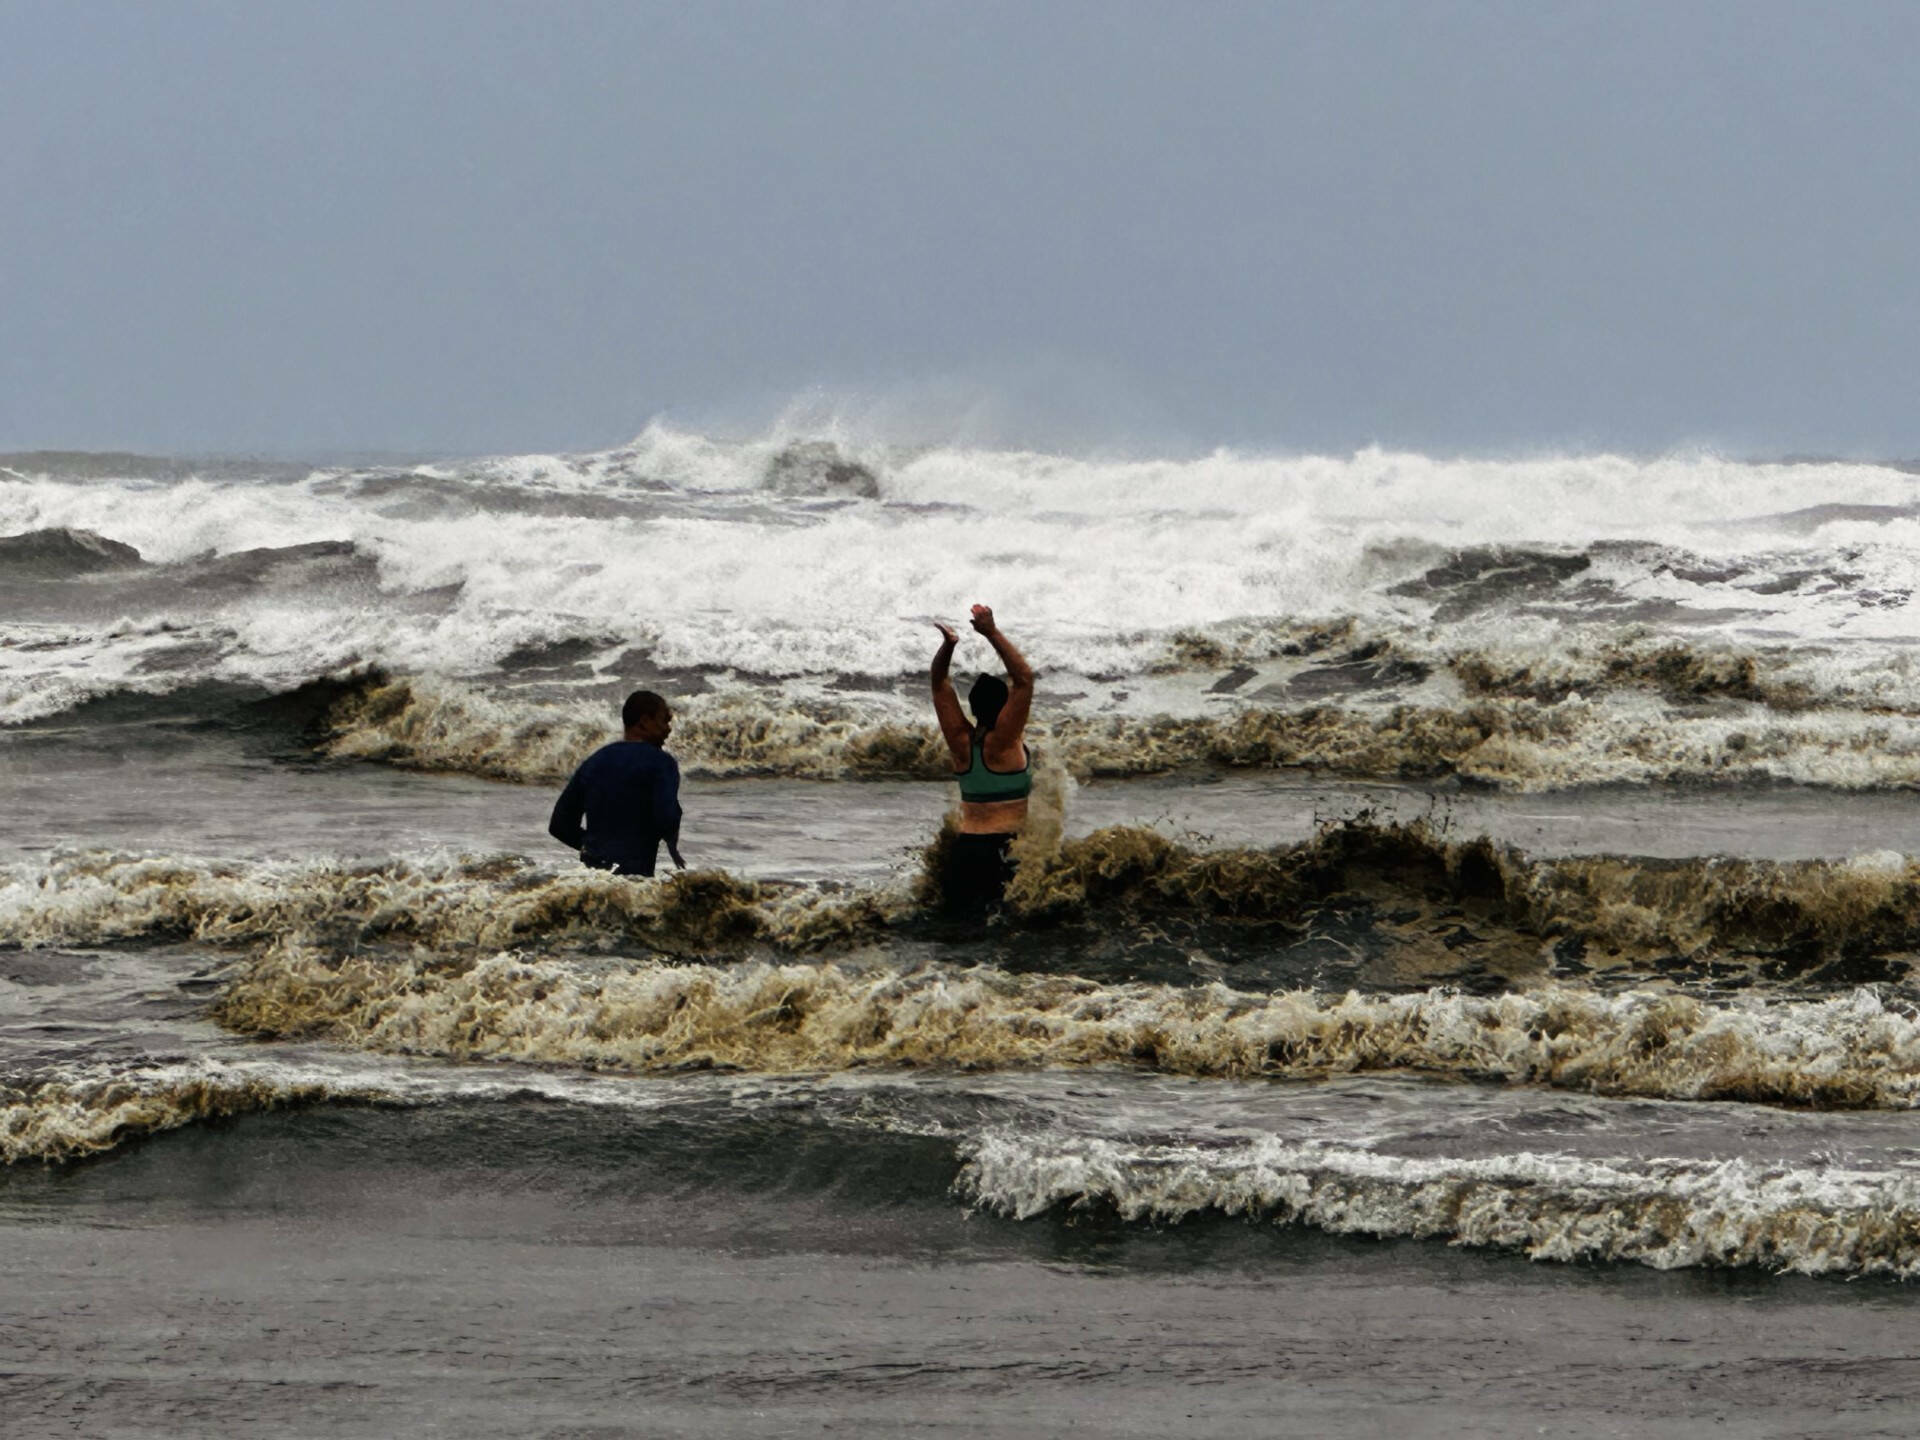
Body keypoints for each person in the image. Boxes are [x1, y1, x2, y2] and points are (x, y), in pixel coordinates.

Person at [930, 603, 1035, 912]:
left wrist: (948, 648)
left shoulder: (961, 744)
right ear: (1005, 709)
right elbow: (1024, 679)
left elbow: (939, 684)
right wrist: (991, 633)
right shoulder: (1006, 743)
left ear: (974, 709)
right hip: (1005, 852)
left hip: (964, 853)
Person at [548, 689, 686, 876]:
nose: (668, 728)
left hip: (592, 879)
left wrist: (593, 848)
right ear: (645, 722)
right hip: (634, 880)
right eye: (664, 720)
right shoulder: (662, 763)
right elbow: (666, 818)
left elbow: (559, 825)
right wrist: (672, 841)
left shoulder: (595, 760)